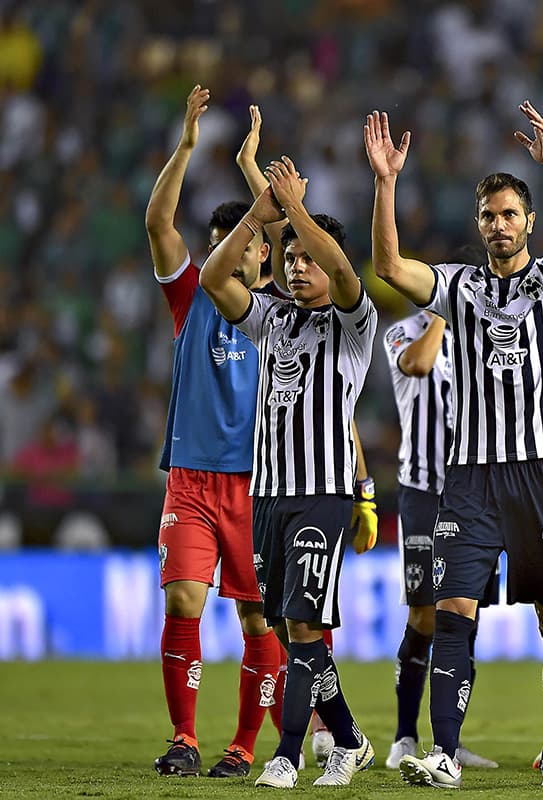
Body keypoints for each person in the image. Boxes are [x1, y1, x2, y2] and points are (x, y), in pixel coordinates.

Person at [365, 100, 543, 789]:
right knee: (452, 612)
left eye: (510, 214)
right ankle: (444, 750)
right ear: (478, 227)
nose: (499, 226)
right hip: (468, 476)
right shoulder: (456, 285)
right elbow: (387, 262)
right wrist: (386, 181)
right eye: (488, 216)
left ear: (529, 222)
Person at [199, 158, 378, 789]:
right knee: (287, 626)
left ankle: (288, 751)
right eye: (290, 258)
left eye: (309, 258)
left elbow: (350, 275)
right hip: (268, 495)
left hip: (322, 494)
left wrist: (294, 212)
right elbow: (214, 278)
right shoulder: (272, 318)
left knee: (302, 624)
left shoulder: (355, 325)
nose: (298, 267)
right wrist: (261, 212)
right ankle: (352, 741)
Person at [145, 85, 284, 779]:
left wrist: (257, 172)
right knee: (183, 600)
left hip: (261, 485)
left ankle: (243, 747)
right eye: (228, 246)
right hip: (194, 479)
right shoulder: (191, 296)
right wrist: (189, 146)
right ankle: (184, 739)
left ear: (263, 256)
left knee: (259, 622)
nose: (239, 257)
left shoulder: (286, 316)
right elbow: (157, 224)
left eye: (251, 245)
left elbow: (288, 227)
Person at [380, 299, 498, 772]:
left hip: (475, 493)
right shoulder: (404, 332)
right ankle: (404, 735)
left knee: (463, 617)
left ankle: (450, 738)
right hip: (423, 491)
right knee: (425, 616)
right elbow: (420, 364)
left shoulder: (485, 334)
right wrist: (442, 315)